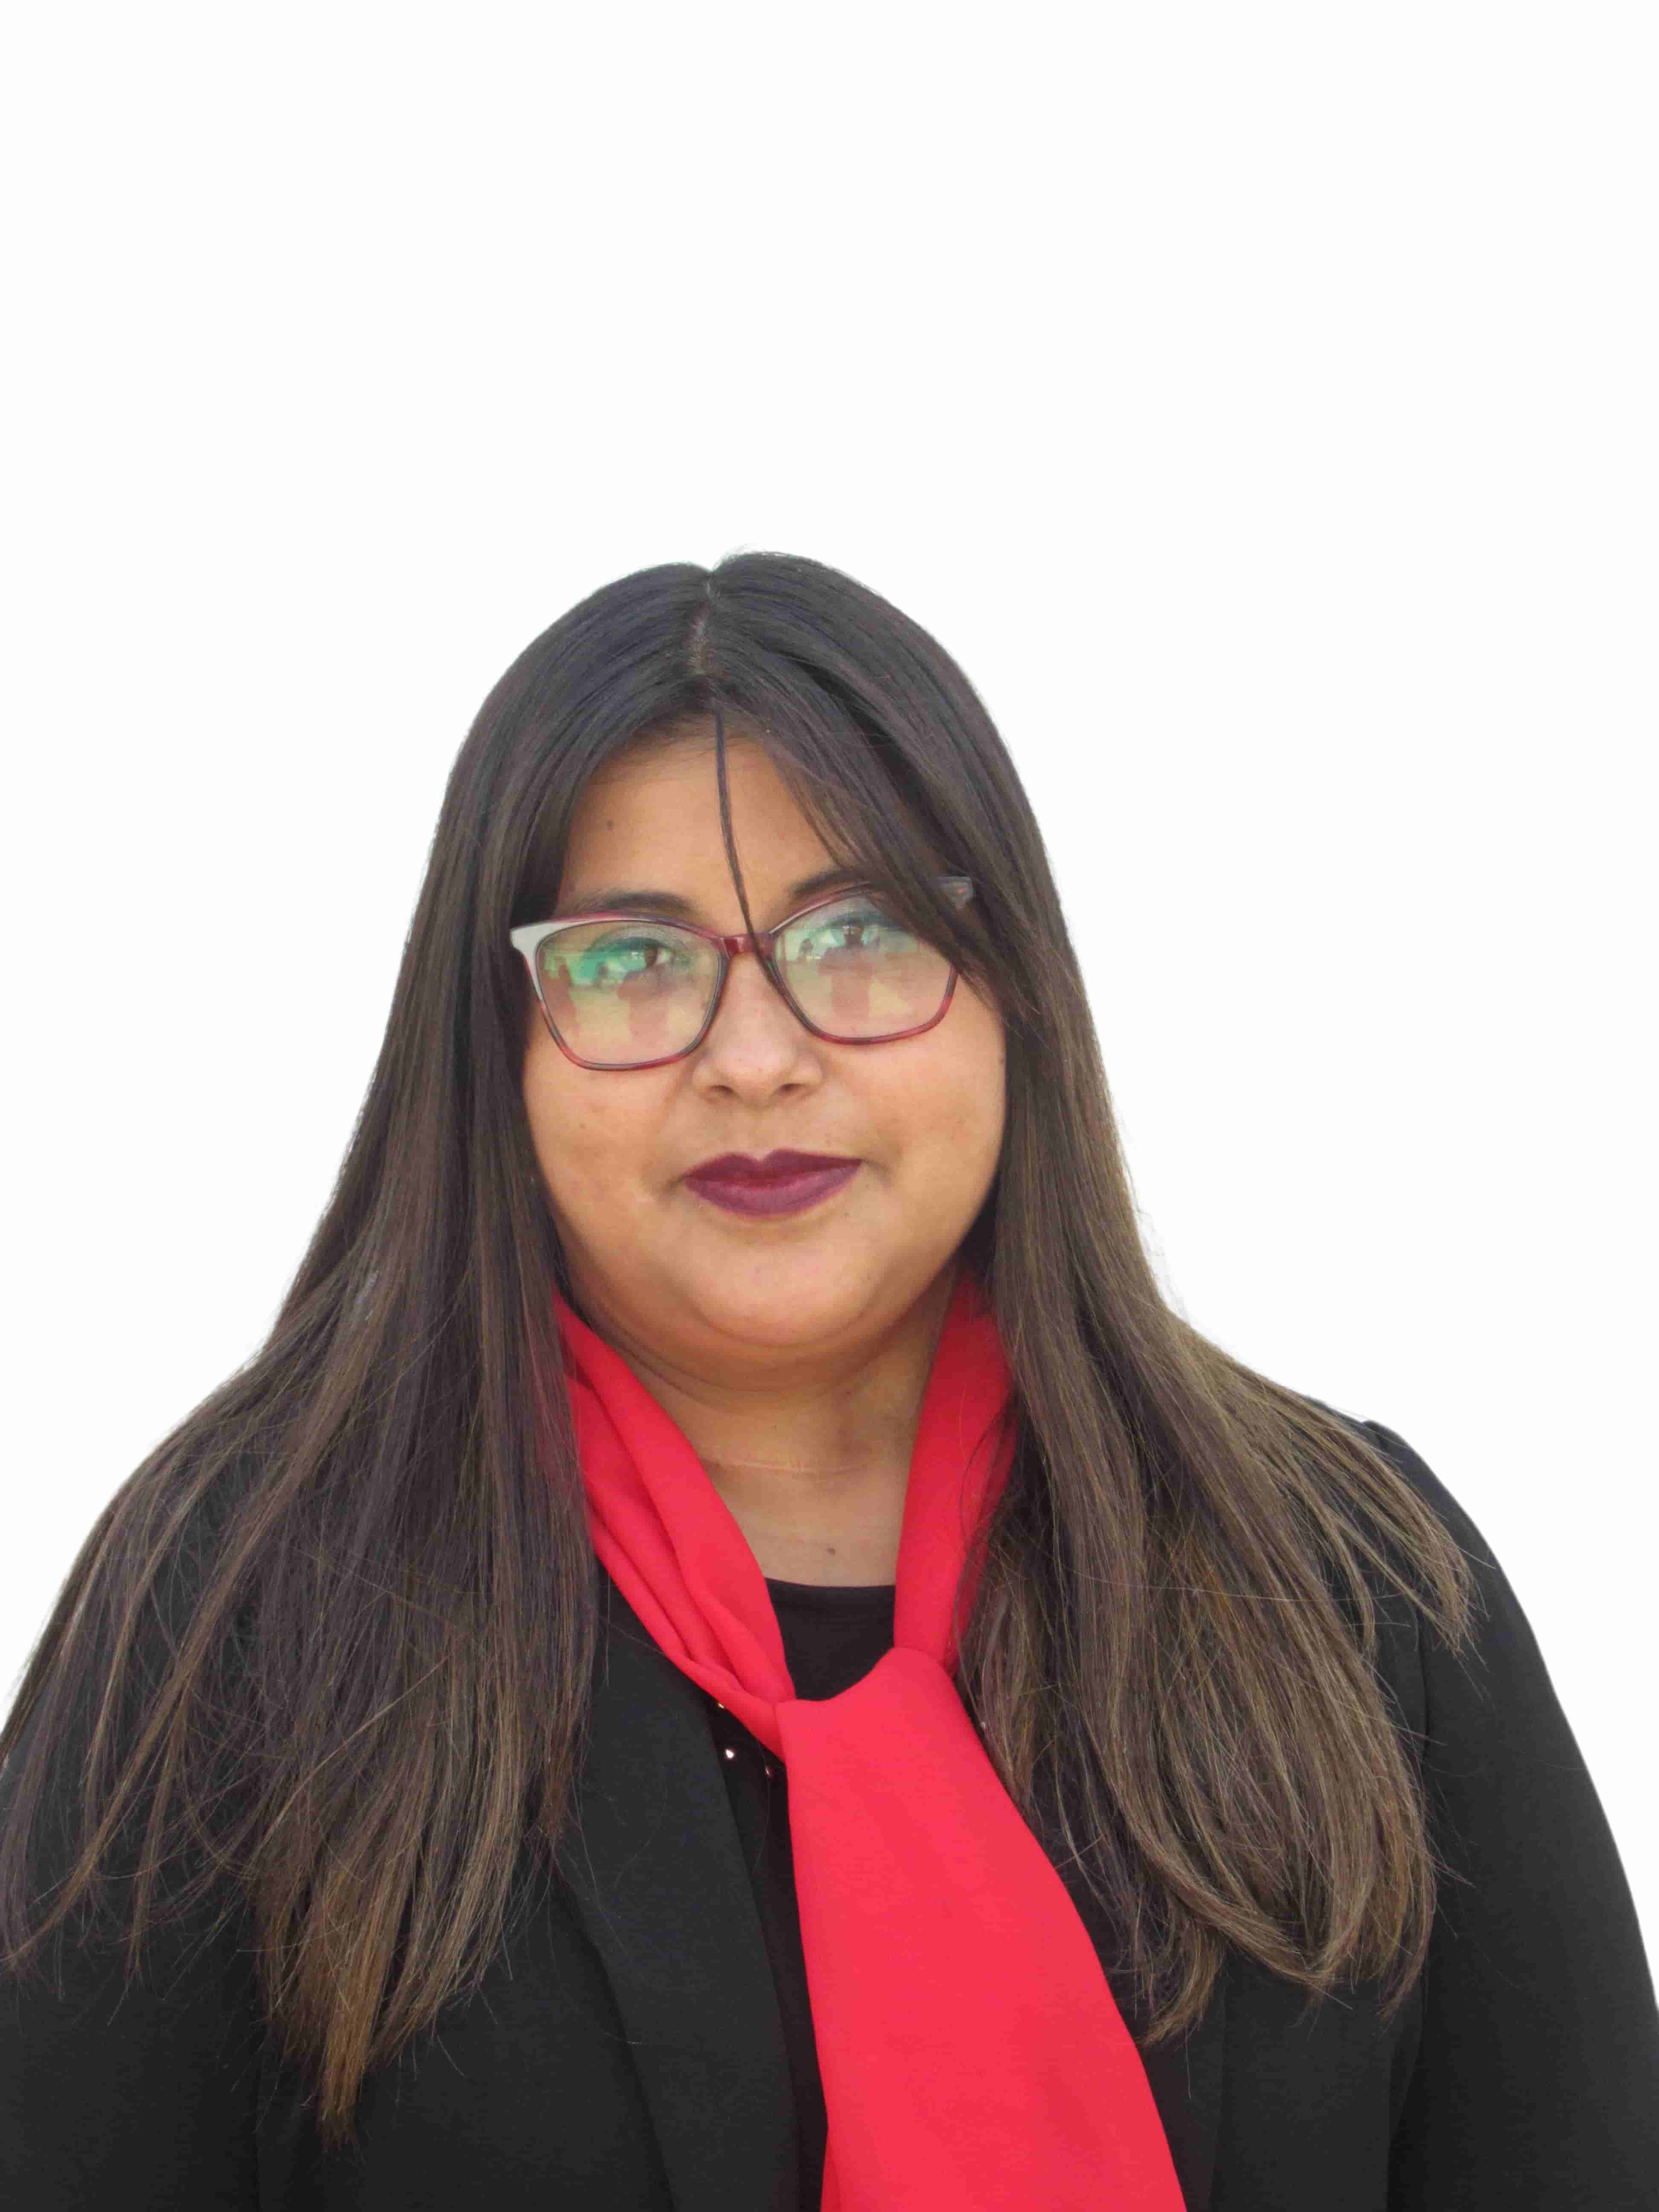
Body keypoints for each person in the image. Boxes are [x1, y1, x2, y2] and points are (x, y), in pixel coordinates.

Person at [1, 552, 1654, 2212]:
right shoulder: (238, 1604)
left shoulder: (1355, 1585)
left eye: (859, 935)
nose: (755, 1058)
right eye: (629, 961)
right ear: (494, 1046)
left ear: (1015, 995)